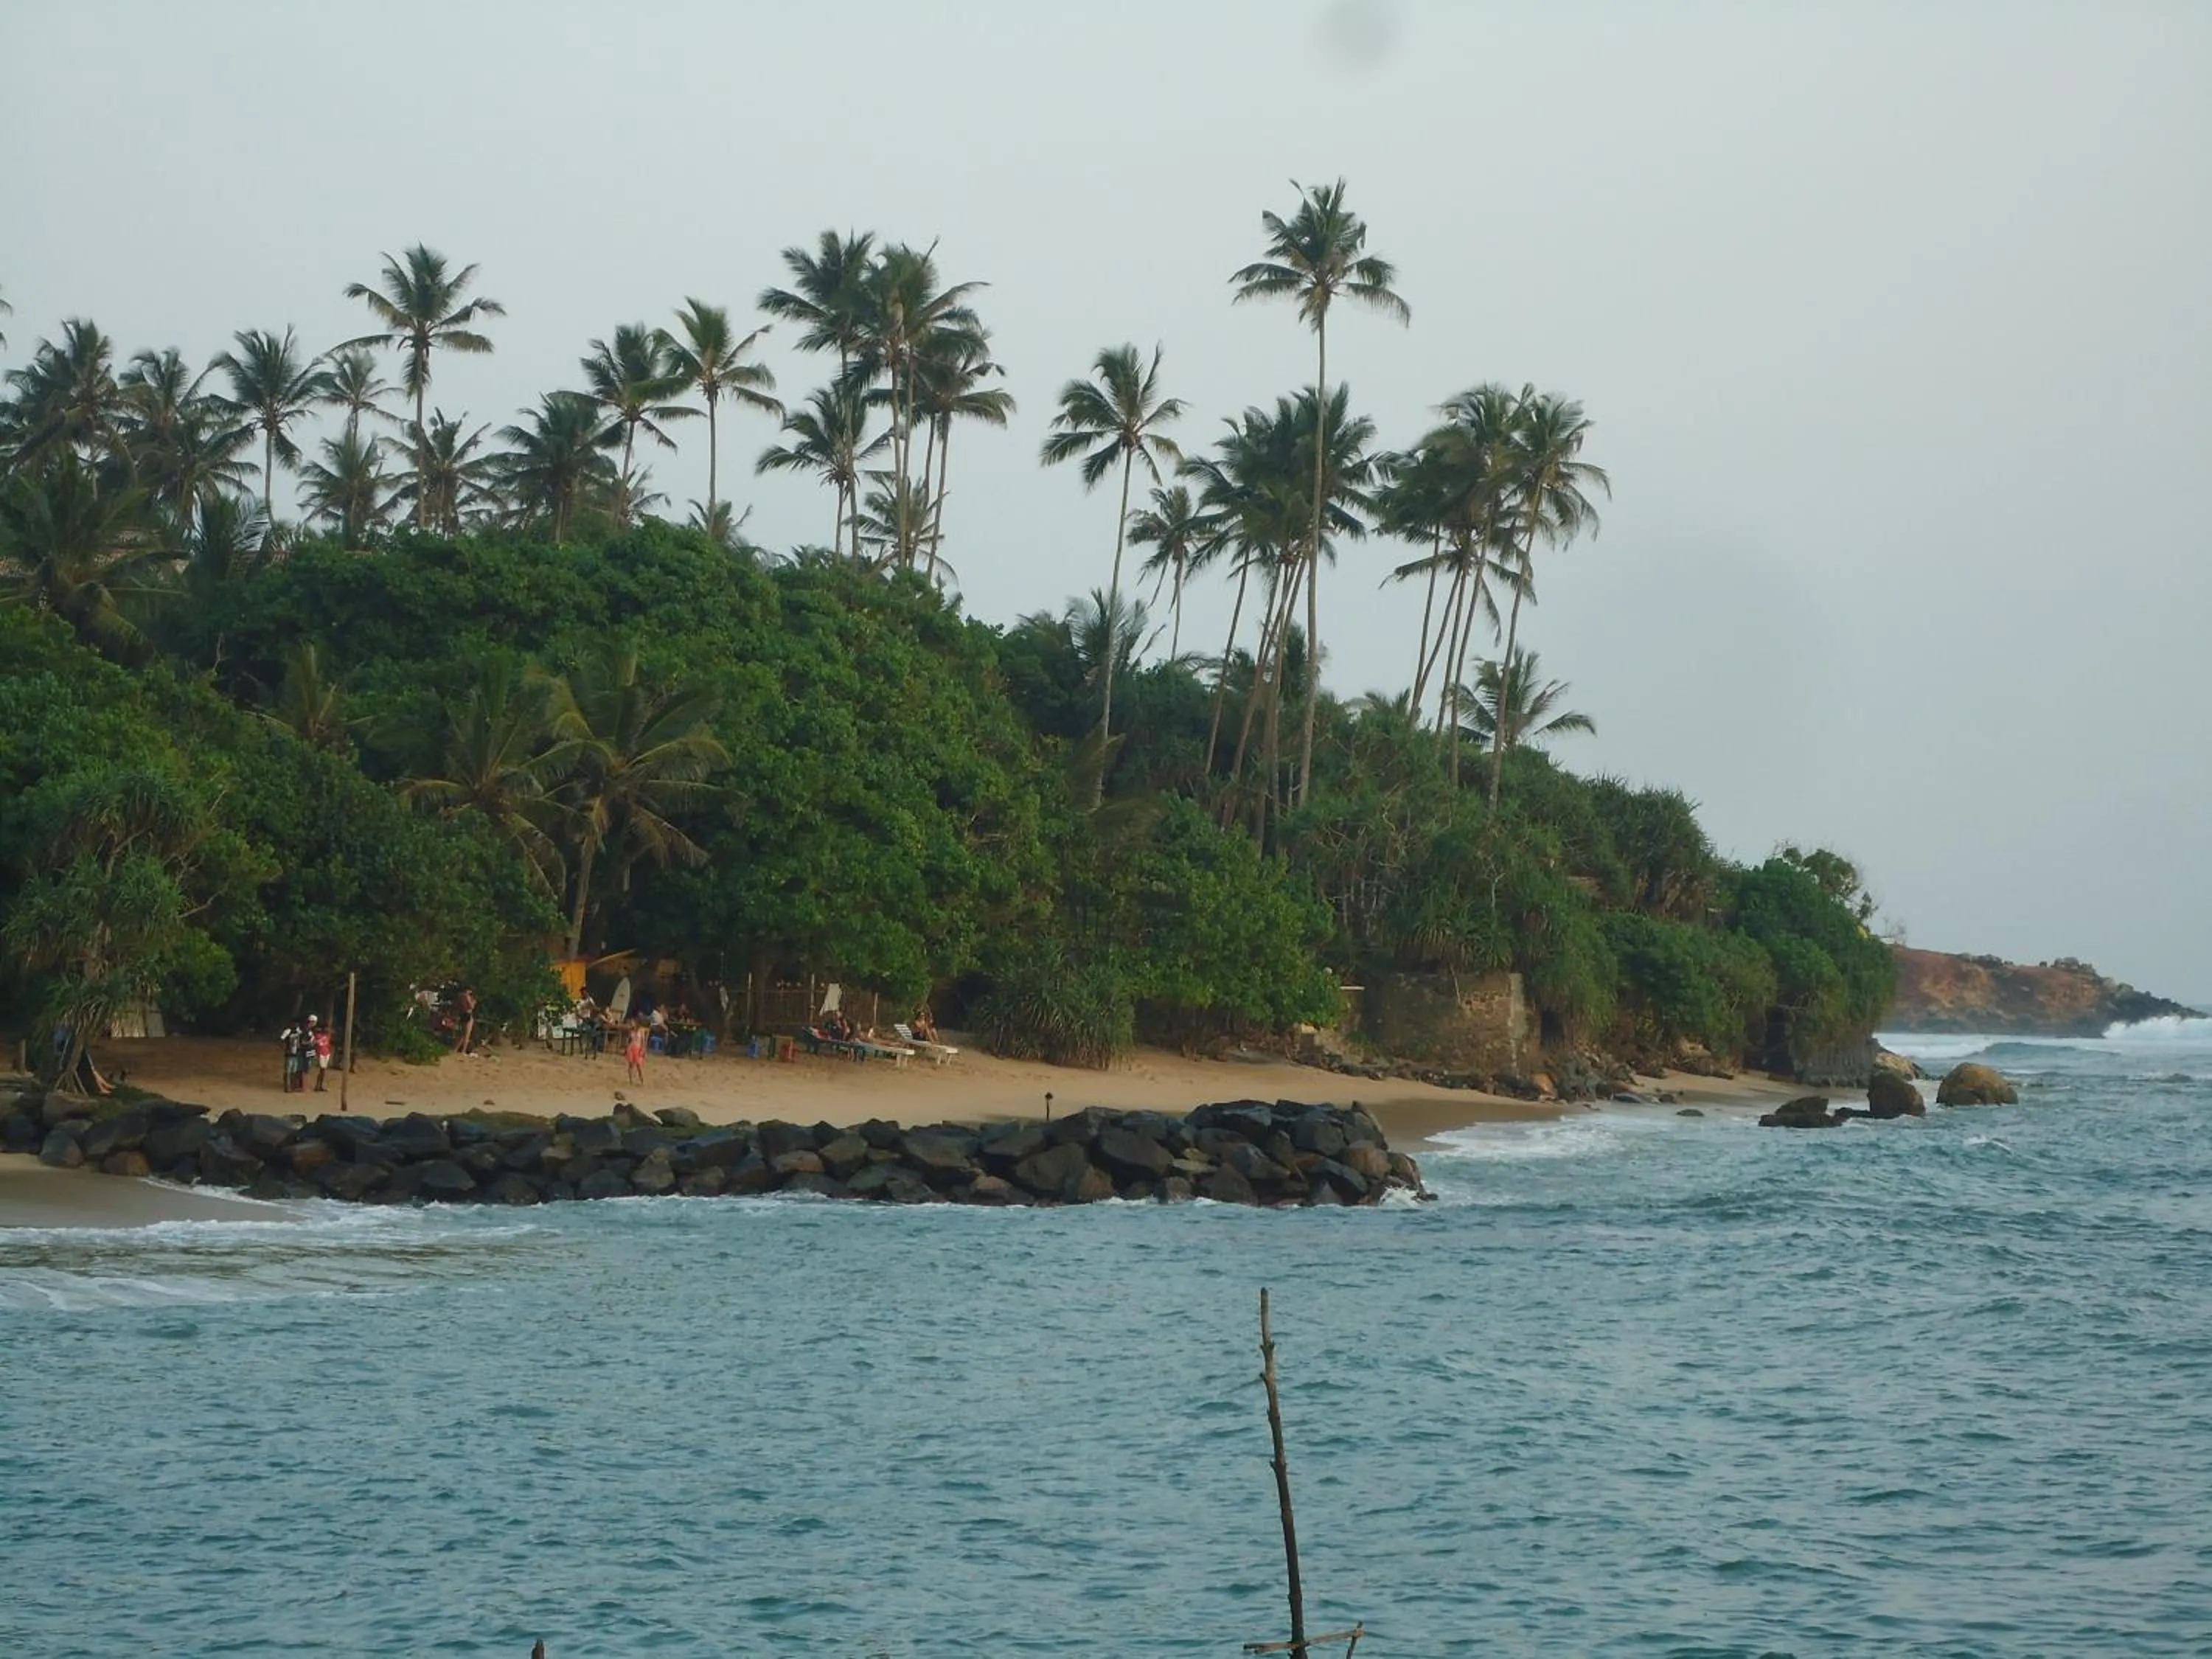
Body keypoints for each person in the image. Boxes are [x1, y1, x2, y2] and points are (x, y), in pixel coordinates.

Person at [454, 987, 479, 1055]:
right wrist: (470, 1000)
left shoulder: (461, 996)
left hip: (464, 1014)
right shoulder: (465, 997)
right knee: (466, 1035)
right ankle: (463, 1050)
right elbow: (471, 1007)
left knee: (463, 1034)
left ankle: (457, 1049)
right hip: (467, 1014)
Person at [623, 1019, 647, 1085]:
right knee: (631, 1065)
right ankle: (631, 1081)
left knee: (639, 1065)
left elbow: (643, 1041)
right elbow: (629, 1040)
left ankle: (642, 1081)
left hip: (638, 1048)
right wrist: (626, 1048)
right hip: (631, 1048)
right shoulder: (631, 1030)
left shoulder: (641, 1030)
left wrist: (643, 1050)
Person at [313, 1018, 334, 1092]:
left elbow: (328, 1045)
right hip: (321, 1054)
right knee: (322, 1070)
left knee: (323, 1071)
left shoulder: (328, 1036)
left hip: (326, 1053)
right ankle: (318, 1085)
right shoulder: (318, 1036)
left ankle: (320, 1085)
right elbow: (316, 1045)